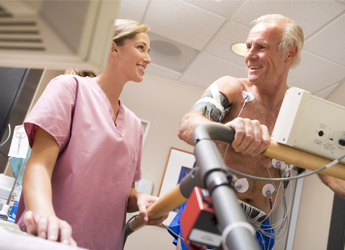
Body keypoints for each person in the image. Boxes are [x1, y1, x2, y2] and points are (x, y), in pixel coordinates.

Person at [15, 19, 167, 250]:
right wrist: (44, 216)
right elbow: (38, 166)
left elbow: (120, 192)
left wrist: (140, 199)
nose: (149, 58)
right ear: (113, 47)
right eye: (141, 48)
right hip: (51, 238)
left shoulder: (135, 125)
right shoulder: (70, 88)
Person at [169, 14, 302, 250]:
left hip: (260, 227)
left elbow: (328, 165)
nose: (249, 55)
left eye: (260, 47)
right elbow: (188, 125)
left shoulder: (299, 110)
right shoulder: (233, 87)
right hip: (213, 210)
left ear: (289, 53)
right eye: (248, 46)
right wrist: (225, 129)